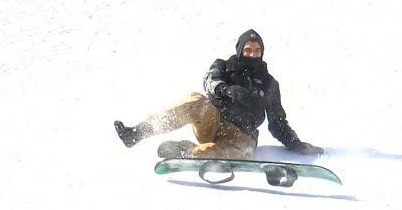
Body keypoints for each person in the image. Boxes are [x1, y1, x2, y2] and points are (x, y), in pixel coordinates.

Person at [114, 29, 324, 159]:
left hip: (242, 136)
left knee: (241, 154)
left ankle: (187, 152)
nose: (252, 54)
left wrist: (296, 144)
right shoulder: (223, 66)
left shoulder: (269, 84)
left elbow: (277, 122)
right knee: (197, 102)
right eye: (248, 50)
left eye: (257, 51)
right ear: (240, 50)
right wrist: (226, 89)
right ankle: (138, 132)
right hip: (214, 122)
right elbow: (209, 81)